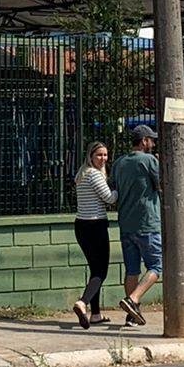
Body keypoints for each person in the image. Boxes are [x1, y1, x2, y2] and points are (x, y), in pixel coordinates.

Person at [113, 124, 161, 327]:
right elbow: (162, 184)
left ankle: (133, 314)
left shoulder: (118, 162)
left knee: (131, 269)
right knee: (157, 266)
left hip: (126, 223)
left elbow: (113, 189)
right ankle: (133, 299)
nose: (153, 143)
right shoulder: (149, 160)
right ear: (144, 141)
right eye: (151, 140)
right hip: (147, 222)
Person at [71, 140, 117, 329]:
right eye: (99, 155)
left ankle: (96, 314)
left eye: (105, 155)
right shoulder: (94, 175)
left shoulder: (81, 174)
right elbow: (110, 198)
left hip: (81, 225)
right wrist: (119, 188)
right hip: (95, 226)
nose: (103, 158)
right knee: (101, 271)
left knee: (94, 270)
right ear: (90, 156)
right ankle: (83, 303)